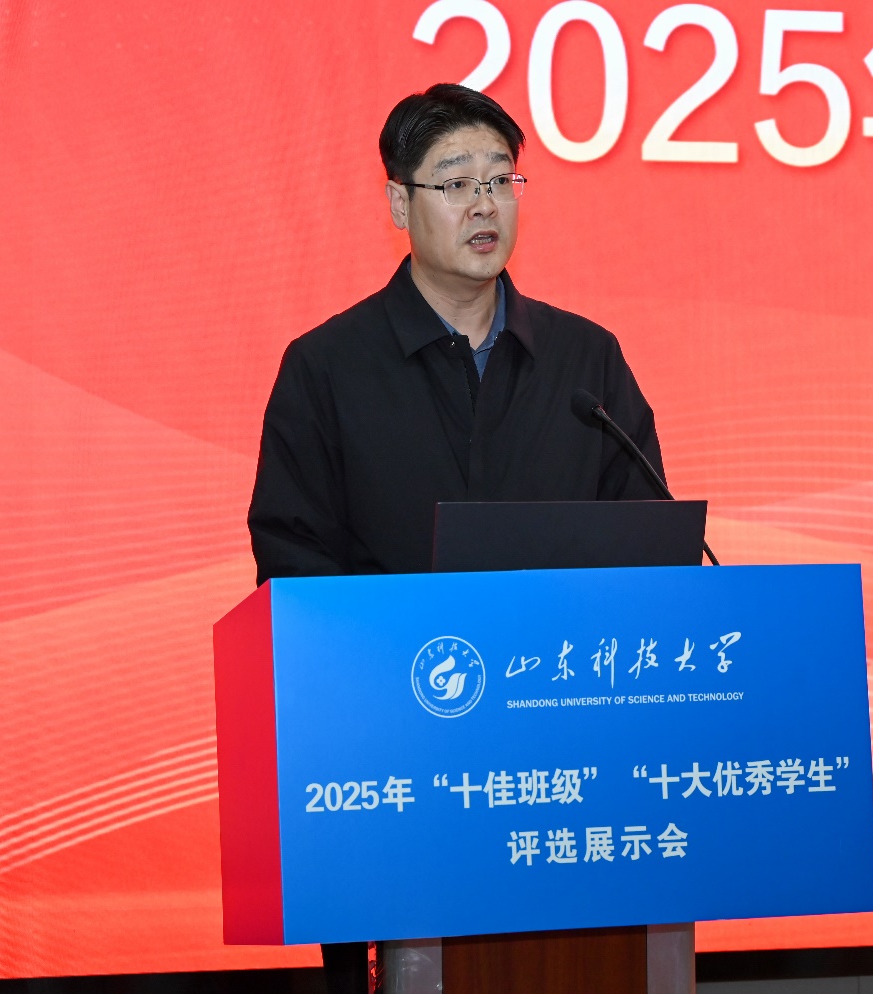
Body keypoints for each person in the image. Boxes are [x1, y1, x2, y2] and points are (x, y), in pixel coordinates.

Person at [246, 84, 667, 992]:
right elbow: (291, 556)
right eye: (455, 182)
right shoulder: (327, 367)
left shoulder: (584, 360)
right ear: (399, 205)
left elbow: (644, 542)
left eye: (500, 180)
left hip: (565, 763)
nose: (484, 204)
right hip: (397, 766)